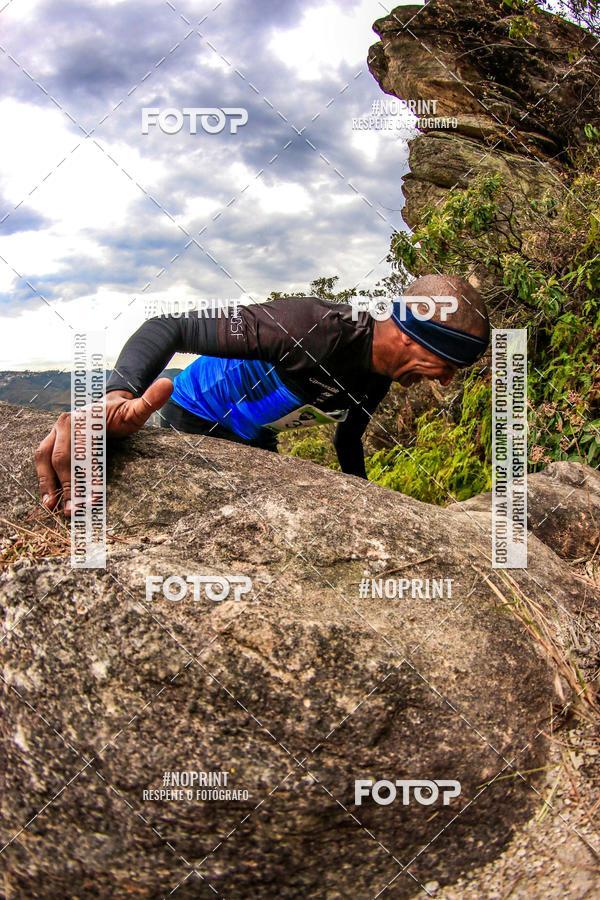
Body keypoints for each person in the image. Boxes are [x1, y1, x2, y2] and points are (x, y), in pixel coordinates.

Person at [35, 274, 489, 515]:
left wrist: (370, 502)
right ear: (414, 336)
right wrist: (115, 397)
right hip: (194, 410)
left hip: (254, 435)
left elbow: (348, 440)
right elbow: (169, 327)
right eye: (447, 367)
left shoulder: (377, 378)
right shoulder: (308, 326)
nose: (445, 381)